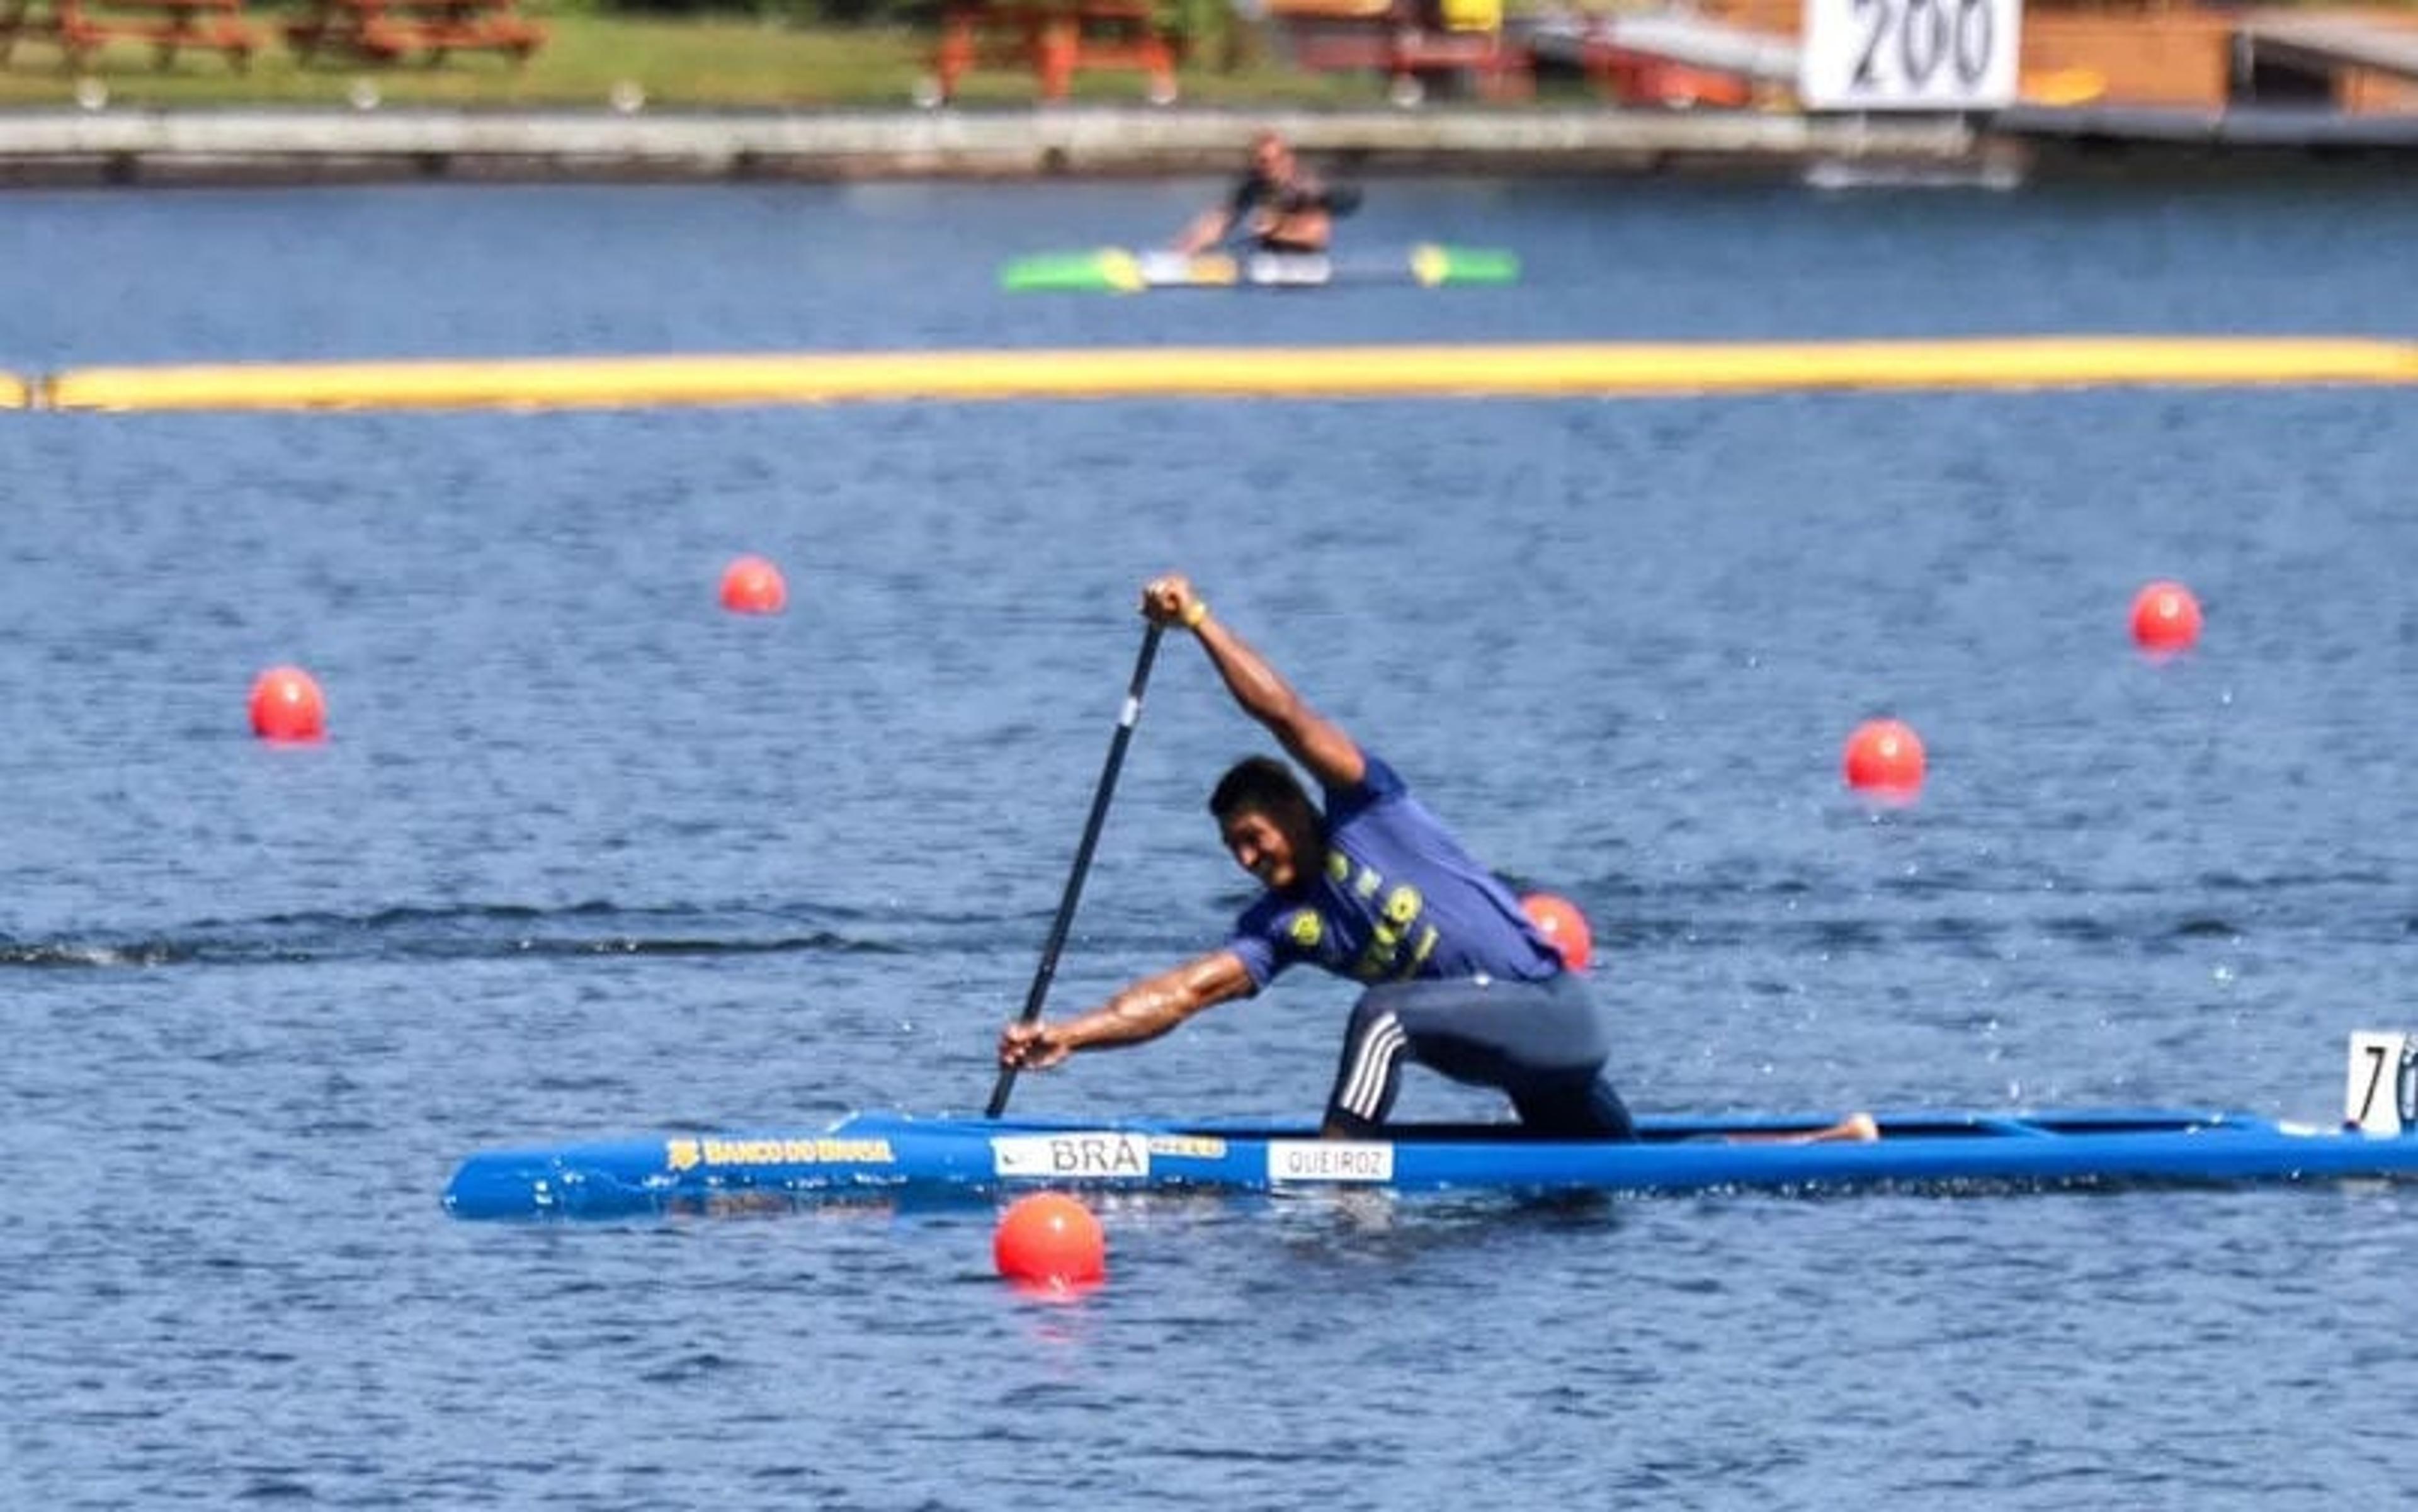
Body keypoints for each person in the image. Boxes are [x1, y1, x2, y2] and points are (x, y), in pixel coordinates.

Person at [997, 574, 1636, 1140]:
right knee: (1605, 1170)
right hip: (1511, 1057)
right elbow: (1183, 993)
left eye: (1253, 835)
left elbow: (1285, 715)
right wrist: (1068, 1035)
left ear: (1294, 809)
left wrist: (1198, 622)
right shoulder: (1281, 923)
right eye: (1233, 849)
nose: (1246, 857)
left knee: (1381, 1015)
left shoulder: (1368, 810)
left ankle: (1337, 1175)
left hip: (1554, 1011)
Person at [1174, 130, 1358, 258]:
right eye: (1260, 162)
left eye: (1270, 161)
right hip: (1268, 257)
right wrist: (1188, 246)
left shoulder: (1304, 187)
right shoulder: (1254, 185)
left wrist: (1277, 227)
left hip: (1305, 260)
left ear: (1287, 159)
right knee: (1215, 220)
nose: (1265, 167)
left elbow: (1318, 232)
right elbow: (1224, 219)